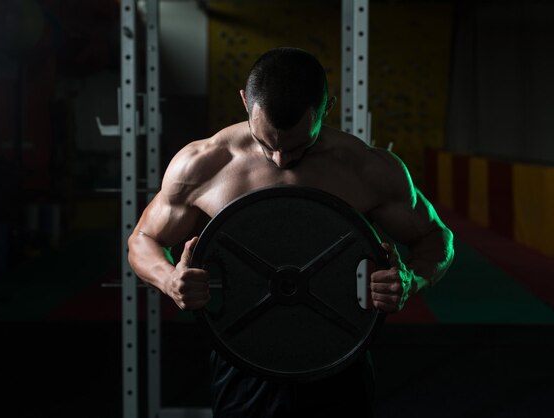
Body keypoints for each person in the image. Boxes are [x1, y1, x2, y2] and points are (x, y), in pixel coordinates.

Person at [128, 47, 454, 417]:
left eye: (301, 144)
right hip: (244, 362)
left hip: (339, 358)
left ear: (327, 107)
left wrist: (413, 281)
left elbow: (437, 238)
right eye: (266, 143)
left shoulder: (368, 168)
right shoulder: (205, 164)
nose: (282, 160)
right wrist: (170, 279)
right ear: (244, 101)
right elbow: (142, 240)